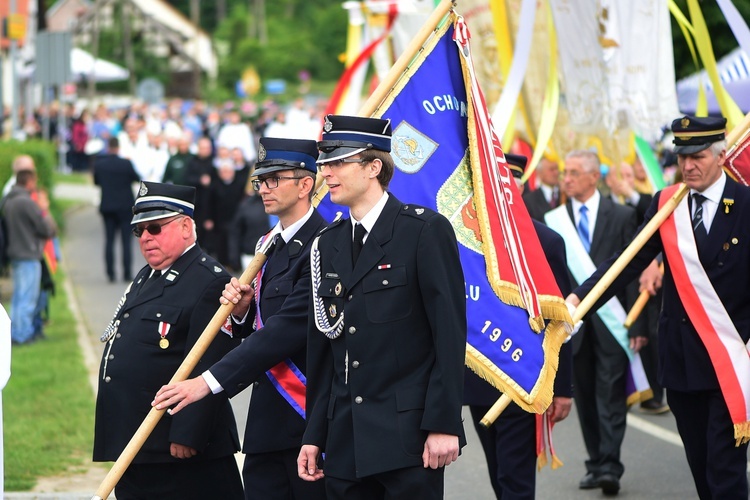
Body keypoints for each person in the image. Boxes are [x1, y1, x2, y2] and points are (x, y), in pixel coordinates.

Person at [569, 115, 749, 499]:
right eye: (682, 157)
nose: (688, 166)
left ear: (720, 155)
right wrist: (578, 300)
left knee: (725, 471)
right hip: (681, 360)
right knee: (701, 468)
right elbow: (626, 262)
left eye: (698, 156)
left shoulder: (747, 204)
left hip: (731, 362)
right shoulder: (668, 204)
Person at [297, 115, 467, 499]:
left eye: (339, 162)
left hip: (408, 438)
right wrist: (314, 435)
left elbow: (449, 336)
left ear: (374, 167)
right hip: (344, 436)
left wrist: (444, 425)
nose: (327, 173)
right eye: (324, 163)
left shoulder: (423, 231)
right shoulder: (327, 244)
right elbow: (324, 349)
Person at [152, 138, 327, 500]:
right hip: (266, 426)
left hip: (309, 424)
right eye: (261, 180)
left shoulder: (325, 245)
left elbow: (287, 330)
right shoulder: (269, 245)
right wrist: (245, 311)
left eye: (275, 179)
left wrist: (206, 382)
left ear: (305, 184)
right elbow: (263, 324)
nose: (264, 188)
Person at [93, 181, 244, 500]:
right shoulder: (149, 275)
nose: (145, 237)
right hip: (138, 442)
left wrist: (187, 433)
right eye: (139, 231)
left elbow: (208, 362)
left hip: (175, 449)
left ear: (186, 227)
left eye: (155, 228)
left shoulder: (209, 280)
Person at [464, 154, 573, 499]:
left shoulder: (546, 242)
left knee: (515, 478)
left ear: (521, 187)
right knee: (499, 471)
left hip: (524, 376)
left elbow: (561, 321)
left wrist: (563, 387)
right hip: (481, 375)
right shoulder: (469, 241)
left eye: (507, 183)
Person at [543, 150, 647, 496]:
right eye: (564, 172)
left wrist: (639, 323)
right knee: (583, 395)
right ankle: (595, 462)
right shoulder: (553, 218)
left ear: (593, 177)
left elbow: (633, 271)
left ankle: (610, 465)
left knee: (611, 395)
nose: (566, 178)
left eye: (574, 173)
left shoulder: (622, 214)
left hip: (613, 323)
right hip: (572, 326)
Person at [5, 169, 57, 345]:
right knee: (28, 299)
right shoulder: (27, 202)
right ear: (29, 182)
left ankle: (14, 333)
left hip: (15, 253)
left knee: (18, 298)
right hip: (28, 254)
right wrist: (44, 210)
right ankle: (23, 335)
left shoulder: (8, 200)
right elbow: (47, 229)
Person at [93, 137, 141, 282]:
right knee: (126, 242)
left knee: (109, 240)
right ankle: (127, 273)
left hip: (108, 206)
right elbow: (136, 178)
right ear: (118, 147)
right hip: (125, 206)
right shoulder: (126, 163)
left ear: (108, 147)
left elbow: (96, 182)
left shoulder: (100, 164)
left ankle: (110, 273)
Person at [523, 156, 561, 221]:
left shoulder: (566, 195)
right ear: (540, 173)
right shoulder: (529, 200)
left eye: (557, 169)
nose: (556, 173)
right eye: (551, 169)